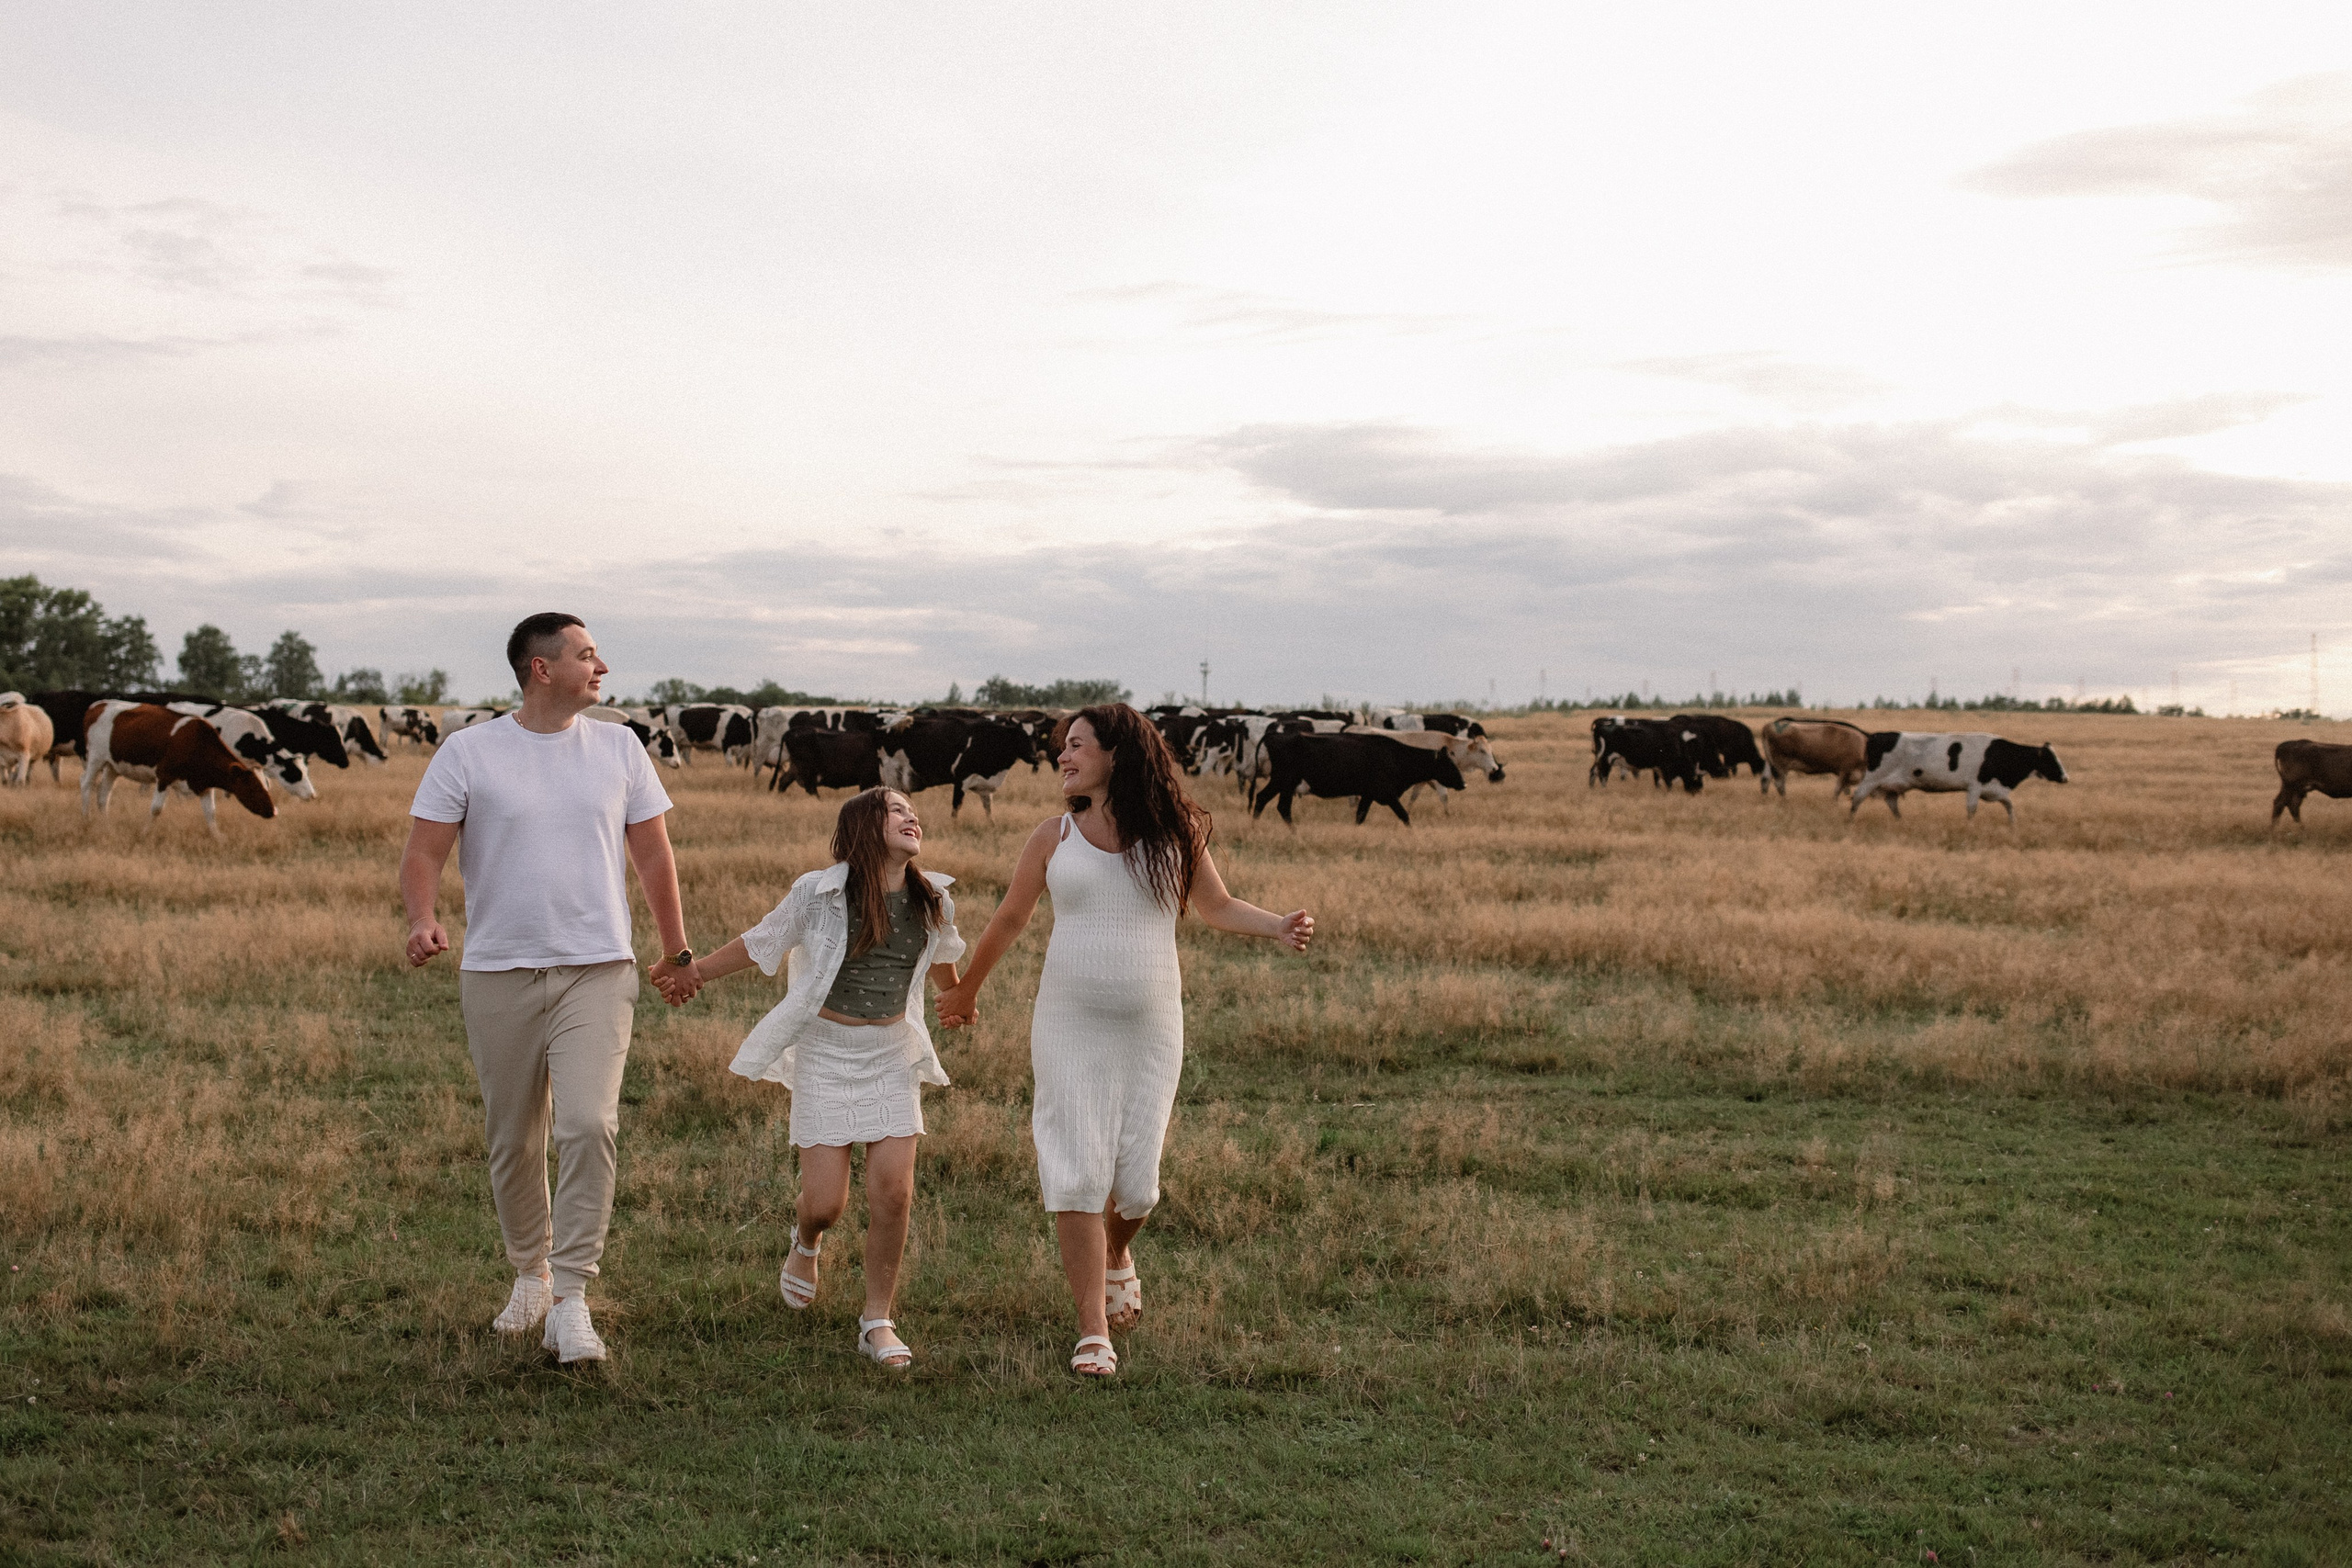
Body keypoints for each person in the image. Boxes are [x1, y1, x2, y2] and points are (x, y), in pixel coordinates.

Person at [936, 704, 1312, 1377]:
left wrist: (1277, 924)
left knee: (1137, 1187)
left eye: (1077, 744)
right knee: (1078, 1171)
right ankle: (1092, 1331)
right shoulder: (1053, 836)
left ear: (1118, 753)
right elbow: (1012, 916)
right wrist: (967, 988)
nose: (1063, 756)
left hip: (1150, 1026)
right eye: (1062, 746)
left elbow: (1216, 906)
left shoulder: (1177, 830)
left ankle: (1116, 1252)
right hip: (1068, 1022)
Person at [399, 614, 695, 1364]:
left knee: (589, 1125)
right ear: (540, 668)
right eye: (586, 654)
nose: (601, 665)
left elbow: (654, 855)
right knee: (513, 1138)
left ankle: (571, 1298)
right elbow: (424, 850)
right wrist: (422, 918)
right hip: (497, 971)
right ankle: (528, 1272)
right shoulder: (470, 751)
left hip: (598, 968)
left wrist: (676, 948)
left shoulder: (620, 747)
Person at [670, 787, 966, 1368]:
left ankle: (877, 1319)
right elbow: (761, 941)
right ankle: (806, 1241)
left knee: (894, 1192)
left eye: (913, 811)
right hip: (826, 1053)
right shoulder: (819, 893)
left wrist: (959, 998)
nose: (912, 817)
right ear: (861, 827)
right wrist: (694, 973)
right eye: (896, 810)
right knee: (826, 1203)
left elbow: (944, 965)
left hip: (890, 1053)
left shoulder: (933, 899)